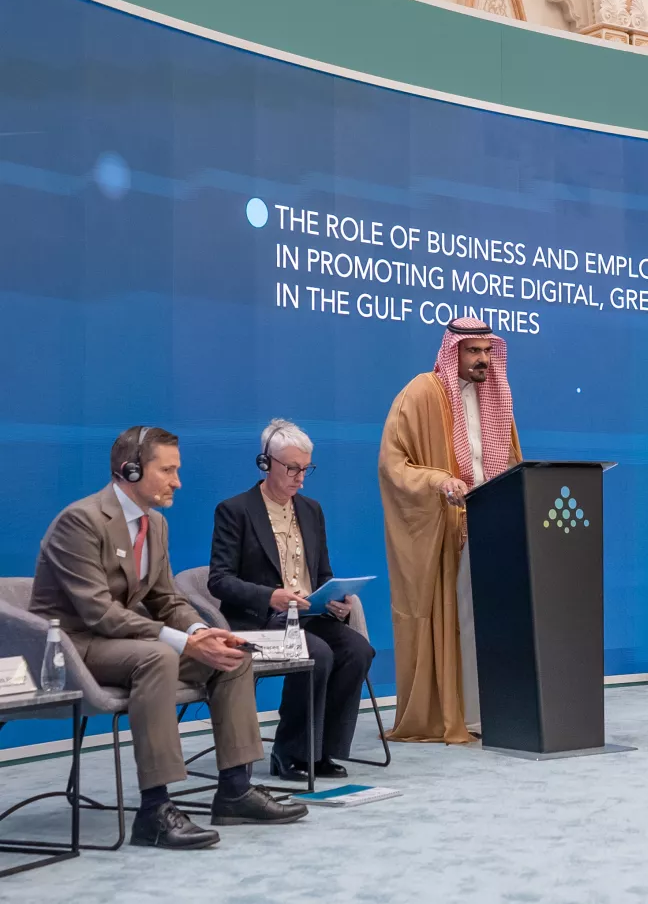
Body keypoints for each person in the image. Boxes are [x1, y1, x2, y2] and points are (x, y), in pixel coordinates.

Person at [29, 426, 307, 850]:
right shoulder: (81, 521)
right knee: (157, 657)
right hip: (72, 645)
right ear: (131, 470)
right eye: (168, 470)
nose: (178, 481)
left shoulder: (154, 525)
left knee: (233, 653)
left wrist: (200, 631)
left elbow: (166, 599)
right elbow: (97, 612)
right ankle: (155, 810)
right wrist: (179, 642)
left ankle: (235, 791)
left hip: (121, 640)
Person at [208, 419, 376, 781]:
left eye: (306, 469)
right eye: (293, 468)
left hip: (308, 616)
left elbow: (323, 574)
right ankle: (289, 752)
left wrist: (336, 599)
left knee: (357, 650)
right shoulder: (235, 510)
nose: (300, 477)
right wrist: (271, 596)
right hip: (259, 621)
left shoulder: (311, 510)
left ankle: (322, 751)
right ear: (266, 463)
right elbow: (219, 580)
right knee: (316, 653)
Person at [379, 318, 521, 744]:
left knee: (489, 619)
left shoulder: (498, 398)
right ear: (452, 351)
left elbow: (509, 461)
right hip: (445, 529)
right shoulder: (423, 393)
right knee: (457, 619)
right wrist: (438, 482)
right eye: (472, 350)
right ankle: (453, 715)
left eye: (486, 351)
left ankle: (493, 710)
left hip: (492, 527)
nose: (482, 359)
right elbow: (393, 464)